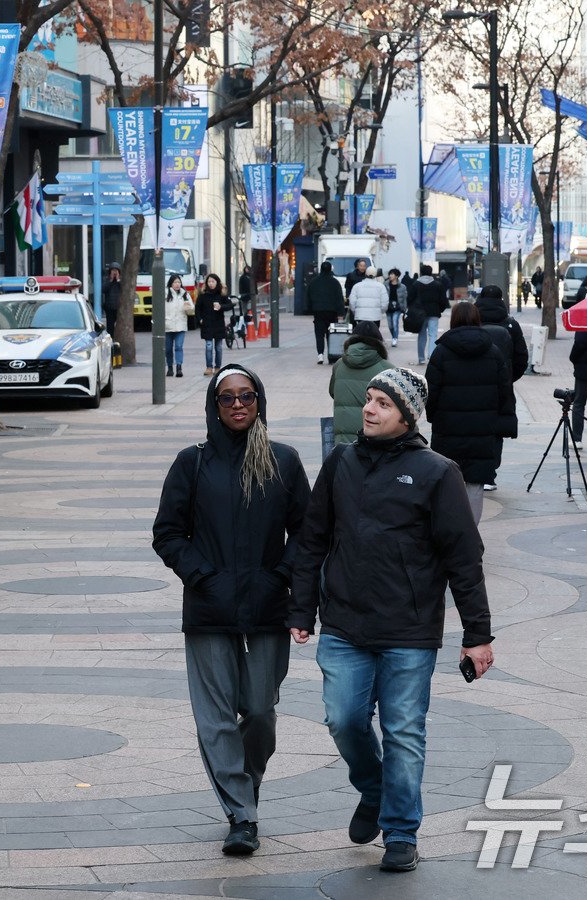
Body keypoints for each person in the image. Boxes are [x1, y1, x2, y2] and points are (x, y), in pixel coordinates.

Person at [288, 366, 494, 874]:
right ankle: (375, 789)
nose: (370, 408)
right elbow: (313, 538)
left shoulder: (437, 472)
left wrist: (477, 636)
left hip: (409, 630)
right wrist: (301, 609)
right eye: (370, 399)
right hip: (345, 625)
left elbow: (463, 557)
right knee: (343, 719)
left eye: (382, 402)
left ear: (406, 417)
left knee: (404, 731)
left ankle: (401, 831)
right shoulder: (340, 463)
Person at [152, 364, 312, 857]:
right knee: (216, 718)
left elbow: (307, 534)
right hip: (208, 609)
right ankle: (241, 814)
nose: (238, 404)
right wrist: (203, 577)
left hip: (267, 606)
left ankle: (244, 786)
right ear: (213, 406)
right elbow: (167, 533)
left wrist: (279, 577)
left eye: (247, 396)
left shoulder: (283, 461)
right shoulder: (192, 463)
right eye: (227, 398)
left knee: (260, 712)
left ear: (260, 400)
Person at [423, 302, 517, 520]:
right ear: (477, 319)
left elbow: (430, 391)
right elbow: (505, 391)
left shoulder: (441, 352)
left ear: (454, 320)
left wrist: (433, 416)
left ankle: (449, 534)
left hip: (448, 429)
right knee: (475, 485)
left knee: (446, 482)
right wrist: (502, 421)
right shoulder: (493, 352)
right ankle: (470, 537)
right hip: (482, 430)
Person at [330, 334, 393, 447]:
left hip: (343, 436)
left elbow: (332, 392)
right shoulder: (387, 368)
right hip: (373, 435)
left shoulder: (339, 364)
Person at [473, 285, 528, 383]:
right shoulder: (511, 324)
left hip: (474, 380)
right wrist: (509, 377)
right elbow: (521, 357)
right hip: (503, 383)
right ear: (501, 299)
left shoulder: (471, 322)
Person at [407, 265, 448, 365]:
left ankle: (421, 358)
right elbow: (443, 300)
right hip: (434, 312)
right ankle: (431, 356)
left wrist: (411, 309)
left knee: (421, 335)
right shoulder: (437, 284)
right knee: (433, 334)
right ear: (431, 272)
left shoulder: (416, 284)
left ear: (421, 272)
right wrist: (440, 309)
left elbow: (409, 298)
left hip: (419, 314)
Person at [308, 261, 346, 365]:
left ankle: (320, 355)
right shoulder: (335, 282)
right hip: (332, 312)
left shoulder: (314, 282)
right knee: (331, 334)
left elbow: (309, 296)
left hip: (318, 311)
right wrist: (341, 312)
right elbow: (339, 298)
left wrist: (309, 309)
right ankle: (331, 356)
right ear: (330, 269)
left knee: (319, 334)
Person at [196, 273, 232, 376]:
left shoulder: (221, 295)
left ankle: (217, 367)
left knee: (219, 347)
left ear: (217, 282)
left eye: (213, 282)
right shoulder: (203, 295)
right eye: (209, 282)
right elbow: (197, 308)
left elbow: (230, 305)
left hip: (218, 323)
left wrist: (221, 307)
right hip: (206, 324)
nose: (211, 284)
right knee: (208, 345)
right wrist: (200, 320)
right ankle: (209, 367)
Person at [163, 274, 195, 378]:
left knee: (178, 347)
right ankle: (170, 367)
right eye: (175, 282)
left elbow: (191, 310)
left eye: (179, 282)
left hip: (180, 325)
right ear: (171, 283)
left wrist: (188, 308)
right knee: (168, 348)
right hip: (168, 325)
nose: (177, 285)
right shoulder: (165, 293)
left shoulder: (185, 294)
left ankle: (179, 367)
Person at [347, 271, 387, 342]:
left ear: (365, 275)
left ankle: (362, 349)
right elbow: (385, 302)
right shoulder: (381, 286)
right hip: (375, 316)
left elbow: (352, 302)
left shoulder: (357, 286)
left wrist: (354, 311)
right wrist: (381, 311)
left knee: (361, 334)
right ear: (376, 275)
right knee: (374, 335)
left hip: (361, 315)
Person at [385, 270, 407, 348]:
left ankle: (395, 338)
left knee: (395, 323)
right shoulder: (385, 285)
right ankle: (393, 336)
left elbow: (405, 298)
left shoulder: (402, 286)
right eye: (390, 274)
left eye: (392, 274)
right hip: (388, 307)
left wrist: (404, 309)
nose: (390, 276)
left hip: (397, 308)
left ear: (397, 276)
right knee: (390, 325)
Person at [102, 262, 122, 337]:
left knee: (119, 325)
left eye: (116, 271)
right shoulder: (107, 280)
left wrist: (118, 280)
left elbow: (124, 289)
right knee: (110, 326)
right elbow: (103, 289)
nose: (114, 272)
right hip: (109, 307)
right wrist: (110, 281)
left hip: (119, 307)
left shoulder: (120, 281)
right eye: (113, 270)